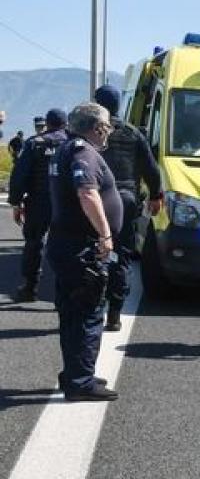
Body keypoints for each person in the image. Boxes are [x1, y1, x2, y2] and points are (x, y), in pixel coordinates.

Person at [47, 103, 122, 401]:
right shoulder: (83, 152)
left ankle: (75, 373)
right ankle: (80, 382)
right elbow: (87, 192)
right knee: (87, 313)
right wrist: (105, 234)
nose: (109, 132)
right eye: (107, 126)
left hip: (67, 243)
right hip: (82, 247)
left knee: (72, 313)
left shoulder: (66, 148)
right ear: (97, 127)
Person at [93, 85, 164, 331]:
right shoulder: (133, 133)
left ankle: (92, 308)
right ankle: (114, 314)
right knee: (120, 256)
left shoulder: (88, 132)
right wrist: (156, 195)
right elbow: (151, 169)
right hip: (125, 201)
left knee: (91, 254)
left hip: (95, 200)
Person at [8, 109, 68, 302]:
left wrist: (16, 202)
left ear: (47, 124)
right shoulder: (72, 143)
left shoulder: (34, 143)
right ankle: (64, 292)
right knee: (67, 243)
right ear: (65, 124)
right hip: (65, 202)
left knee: (34, 243)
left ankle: (30, 287)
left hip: (38, 200)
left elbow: (20, 176)